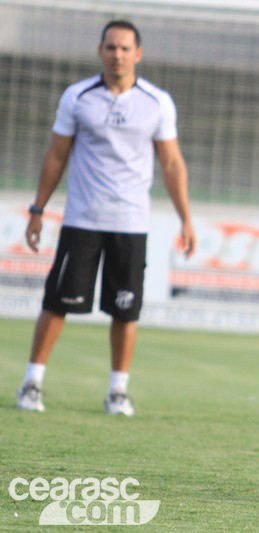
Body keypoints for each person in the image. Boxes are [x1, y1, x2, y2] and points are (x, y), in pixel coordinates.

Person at [14, 20, 195, 417]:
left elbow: (171, 163)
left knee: (125, 310)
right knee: (56, 303)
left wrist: (186, 218)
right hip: (82, 219)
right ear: (101, 51)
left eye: (125, 48)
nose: (118, 55)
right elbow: (57, 155)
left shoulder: (157, 102)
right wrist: (37, 209)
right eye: (111, 47)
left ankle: (117, 390)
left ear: (138, 54)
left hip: (131, 224)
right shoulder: (77, 97)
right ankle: (32, 381)